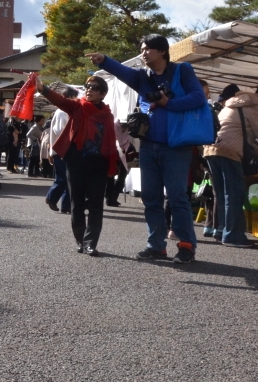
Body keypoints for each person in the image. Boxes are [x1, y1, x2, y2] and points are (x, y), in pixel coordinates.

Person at [88, 35, 208, 264]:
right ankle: (156, 245)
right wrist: (104, 60)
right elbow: (122, 72)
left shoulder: (182, 71)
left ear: (162, 51)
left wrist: (168, 103)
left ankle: (186, 246)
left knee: (177, 197)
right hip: (149, 144)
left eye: (148, 49)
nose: (143, 53)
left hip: (176, 145)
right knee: (151, 198)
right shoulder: (143, 77)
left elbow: (198, 97)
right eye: (142, 49)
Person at [39, 76, 127, 255]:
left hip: (99, 164)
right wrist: (43, 88)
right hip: (76, 162)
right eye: (87, 87)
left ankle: (90, 242)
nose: (89, 90)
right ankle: (80, 240)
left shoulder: (107, 114)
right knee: (76, 202)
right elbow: (61, 101)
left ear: (103, 93)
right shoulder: (77, 107)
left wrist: (113, 163)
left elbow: (110, 140)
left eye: (94, 88)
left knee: (96, 204)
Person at [203, 86, 258, 247]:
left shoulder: (233, 104)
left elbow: (245, 137)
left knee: (223, 193)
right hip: (229, 153)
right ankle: (233, 236)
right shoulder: (255, 106)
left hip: (211, 150)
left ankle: (221, 230)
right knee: (234, 194)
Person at [44, 87, 78, 212]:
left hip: (64, 150)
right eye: (75, 97)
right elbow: (61, 131)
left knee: (68, 179)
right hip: (61, 150)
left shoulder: (64, 111)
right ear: (69, 97)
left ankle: (66, 206)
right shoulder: (62, 112)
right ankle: (51, 197)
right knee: (63, 178)